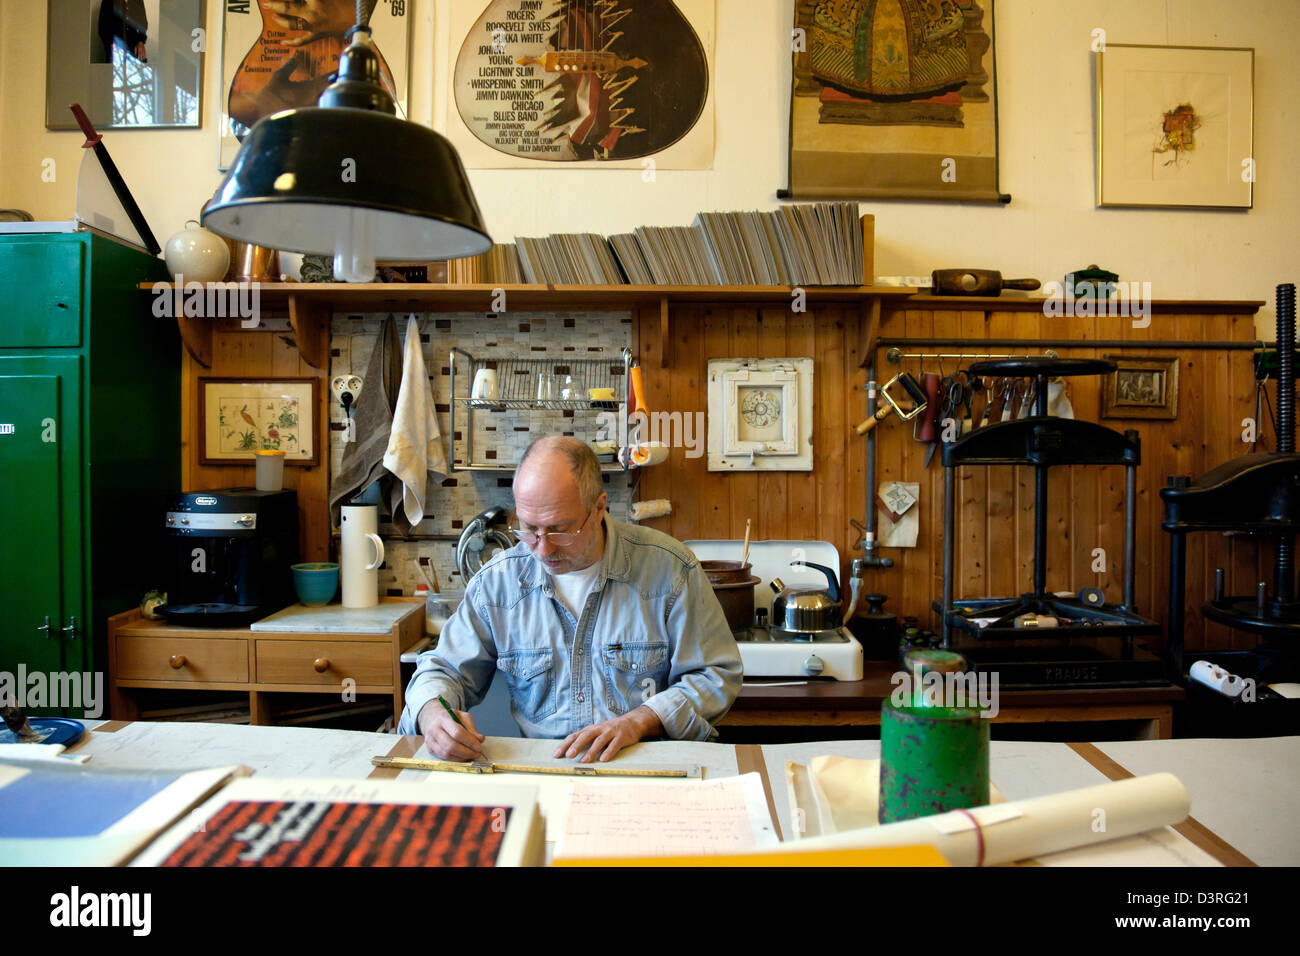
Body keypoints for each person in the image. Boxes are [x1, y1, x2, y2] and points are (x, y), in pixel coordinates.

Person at [398, 436, 742, 763]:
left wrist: (641, 720)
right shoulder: (499, 583)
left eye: (560, 530)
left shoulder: (669, 569)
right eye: (530, 529)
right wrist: (432, 713)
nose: (543, 549)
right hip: (544, 774)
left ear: (599, 507)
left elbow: (714, 674)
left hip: (648, 770)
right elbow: (442, 669)